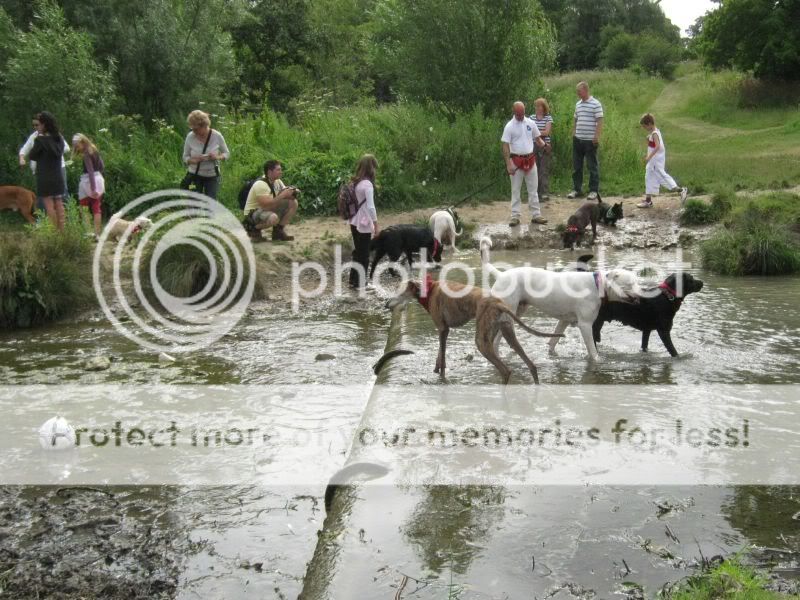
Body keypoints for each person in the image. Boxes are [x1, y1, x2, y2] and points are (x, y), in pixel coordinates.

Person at [501, 101, 547, 227]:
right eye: (518, 114)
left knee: (533, 189)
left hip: (530, 160)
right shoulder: (509, 126)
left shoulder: (530, 123)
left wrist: (545, 145)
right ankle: (515, 216)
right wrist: (508, 165)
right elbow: (505, 146)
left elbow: (537, 138)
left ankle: (536, 215)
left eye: (522, 113)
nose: (521, 116)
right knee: (515, 190)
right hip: (516, 161)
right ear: (514, 112)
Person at [19, 114, 70, 209]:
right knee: (44, 196)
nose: (35, 127)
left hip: (57, 168)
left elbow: (66, 148)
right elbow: (25, 150)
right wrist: (21, 158)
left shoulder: (56, 136)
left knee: (61, 194)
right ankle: (43, 218)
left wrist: (52, 153)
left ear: (44, 125)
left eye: (37, 125)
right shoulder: (34, 137)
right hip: (41, 170)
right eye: (33, 125)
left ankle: (67, 216)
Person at [637, 113, 688, 208]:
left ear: (649, 124)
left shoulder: (655, 133)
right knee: (648, 177)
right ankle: (648, 201)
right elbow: (653, 145)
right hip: (653, 163)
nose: (644, 128)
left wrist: (649, 157)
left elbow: (657, 147)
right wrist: (649, 140)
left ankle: (681, 190)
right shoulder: (654, 133)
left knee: (663, 177)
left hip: (656, 161)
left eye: (644, 126)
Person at [28, 111, 67, 230]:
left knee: (49, 205)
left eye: (38, 124)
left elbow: (32, 156)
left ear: (44, 125)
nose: (37, 127)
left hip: (44, 176)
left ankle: (55, 233)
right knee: (59, 203)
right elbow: (62, 151)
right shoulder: (59, 138)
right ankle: (62, 231)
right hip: (58, 175)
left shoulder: (40, 140)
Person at [242, 160, 299, 242]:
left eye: (280, 169)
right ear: (269, 171)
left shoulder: (277, 181)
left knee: (293, 203)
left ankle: (278, 232)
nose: (281, 172)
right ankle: (253, 229)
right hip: (253, 213)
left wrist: (293, 192)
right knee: (273, 218)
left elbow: (286, 195)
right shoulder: (260, 184)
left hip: (266, 209)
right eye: (278, 170)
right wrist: (283, 195)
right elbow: (266, 205)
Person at [348, 154, 379, 289]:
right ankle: (361, 283)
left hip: (354, 220)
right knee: (364, 254)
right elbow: (371, 207)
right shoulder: (367, 185)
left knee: (358, 251)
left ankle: (353, 280)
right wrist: (376, 224)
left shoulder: (356, 182)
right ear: (371, 168)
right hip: (364, 222)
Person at [182, 110, 229, 200]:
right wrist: (193, 160)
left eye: (196, 129)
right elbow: (185, 157)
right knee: (194, 203)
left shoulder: (217, 136)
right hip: (194, 176)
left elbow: (226, 153)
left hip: (212, 176)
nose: (194, 131)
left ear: (204, 125)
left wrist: (217, 157)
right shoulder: (190, 137)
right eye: (192, 129)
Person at [567, 81, 603, 200]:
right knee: (577, 166)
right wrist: (574, 132)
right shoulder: (578, 104)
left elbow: (599, 121)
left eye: (579, 91)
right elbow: (576, 119)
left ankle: (593, 190)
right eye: (577, 92)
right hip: (578, 139)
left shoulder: (596, 104)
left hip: (590, 141)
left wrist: (596, 136)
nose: (578, 93)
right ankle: (576, 189)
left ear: (586, 90)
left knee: (592, 165)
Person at [72, 133, 106, 238]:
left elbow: (90, 171)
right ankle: (97, 234)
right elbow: (102, 166)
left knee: (84, 207)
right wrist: (98, 179)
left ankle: (88, 232)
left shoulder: (86, 154)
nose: (76, 149)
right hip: (99, 179)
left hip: (88, 181)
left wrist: (93, 187)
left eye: (77, 146)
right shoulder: (94, 149)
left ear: (82, 142)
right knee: (96, 207)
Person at [532, 98, 554, 201]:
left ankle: (544, 192)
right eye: (536, 106)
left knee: (543, 170)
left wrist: (536, 131)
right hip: (533, 146)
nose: (537, 108)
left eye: (539, 106)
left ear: (544, 107)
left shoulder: (548, 118)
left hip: (545, 145)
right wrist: (540, 132)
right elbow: (529, 131)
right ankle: (535, 192)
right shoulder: (531, 117)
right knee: (534, 169)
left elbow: (547, 132)